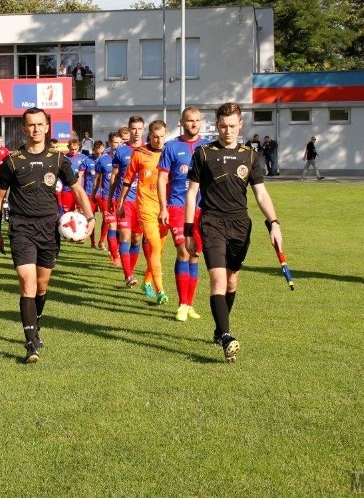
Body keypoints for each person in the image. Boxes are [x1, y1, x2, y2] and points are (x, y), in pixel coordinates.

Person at [0, 107, 95, 364]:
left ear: (47, 127)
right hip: (21, 227)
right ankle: (30, 343)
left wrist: (90, 218)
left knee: (42, 285)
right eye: (31, 125)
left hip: (49, 228)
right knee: (27, 283)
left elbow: (78, 190)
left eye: (40, 124)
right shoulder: (12, 161)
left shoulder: (58, 160)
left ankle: (34, 326)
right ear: (24, 129)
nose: (36, 129)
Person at [185, 102, 283, 363]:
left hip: (240, 225)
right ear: (216, 125)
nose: (227, 130)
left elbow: (260, 193)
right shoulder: (204, 154)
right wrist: (187, 231)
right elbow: (192, 192)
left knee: (231, 282)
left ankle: (219, 329)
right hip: (212, 223)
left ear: (240, 125)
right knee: (217, 281)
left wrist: (274, 223)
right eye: (222, 126)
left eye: (232, 126)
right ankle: (227, 336)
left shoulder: (249, 156)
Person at [157, 106, 210, 321]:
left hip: (202, 208)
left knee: (195, 254)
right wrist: (163, 207)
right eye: (189, 120)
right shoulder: (171, 147)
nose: (194, 124)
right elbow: (162, 179)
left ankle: (190, 304)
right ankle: (182, 304)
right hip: (178, 207)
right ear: (181, 121)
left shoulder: (208, 147)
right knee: (183, 252)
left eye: (197, 120)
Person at [118, 120, 170, 304]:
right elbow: (128, 178)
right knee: (154, 247)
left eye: (162, 136)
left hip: (166, 207)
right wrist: (121, 202)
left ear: (166, 134)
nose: (158, 140)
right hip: (146, 206)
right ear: (150, 135)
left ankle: (147, 281)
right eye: (155, 137)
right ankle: (160, 290)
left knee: (160, 250)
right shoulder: (139, 154)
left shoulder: (169, 152)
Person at [108, 116, 146, 288]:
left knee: (137, 239)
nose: (136, 132)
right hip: (125, 201)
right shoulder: (121, 151)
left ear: (143, 129)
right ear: (129, 130)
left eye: (139, 128)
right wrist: (110, 198)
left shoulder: (149, 150)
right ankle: (128, 275)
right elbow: (114, 176)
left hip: (143, 202)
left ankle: (131, 268)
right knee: (125, 235)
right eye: (134, 128)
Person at [92, 132, 123, 265]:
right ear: (110, 143)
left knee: (121, 228)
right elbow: (97, 179)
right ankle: (115, 255)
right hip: (107, 197)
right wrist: (93, 193)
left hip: (123, 198)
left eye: (119, 142)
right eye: (115, 142)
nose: (117, 145)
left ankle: (116, 249)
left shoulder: (126, 157)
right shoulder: (102, 160)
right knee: (111, 224)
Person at [58, 138, 86, 215]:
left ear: (79, 148)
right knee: (67, 213)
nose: (74, 151)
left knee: (80, 213)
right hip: (67, 190)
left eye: (75, 149)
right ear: (68, 148)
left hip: (79, 190)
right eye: (72, 149)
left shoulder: (83, 158)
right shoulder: (63, 158)